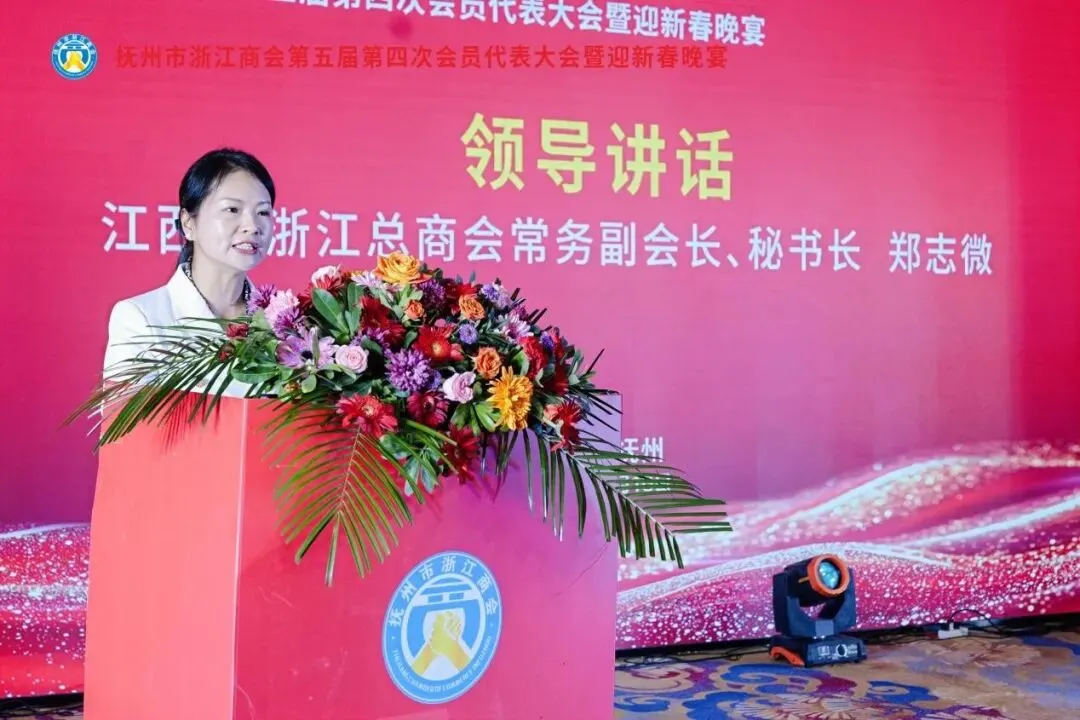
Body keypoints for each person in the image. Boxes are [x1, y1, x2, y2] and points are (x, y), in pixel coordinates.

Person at [102, 148, 276, 396]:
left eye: (263, 212)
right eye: (232, 210)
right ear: (188, 223)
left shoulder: (282, 324)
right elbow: (126, 418)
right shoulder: (143, 318)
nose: (253, 226)